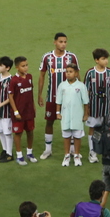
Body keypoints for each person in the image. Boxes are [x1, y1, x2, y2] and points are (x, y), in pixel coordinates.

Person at [37, 32, 79, 160]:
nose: (63, 44)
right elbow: (42, 76)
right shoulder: (47, 57)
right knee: (49, 121)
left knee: (71, 122)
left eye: (65, 42)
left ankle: (72, 150)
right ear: (54, 42)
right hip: (52, 97)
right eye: (61, 42)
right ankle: (48, 149)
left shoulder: (71, 57)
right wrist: (39, 95)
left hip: (70, 97)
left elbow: (78, 75)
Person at [84, 49, 110, 164]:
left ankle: (107, 150)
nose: (106, 61)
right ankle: (92, 152)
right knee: (92, 128)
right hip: (94, 107)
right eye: (103, 59)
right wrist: (86, 108)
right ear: (96, 60)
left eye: (106, 58)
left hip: (108, 107)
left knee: (108, 129)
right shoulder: (90, 73)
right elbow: (87, 92)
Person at [56, 63, 89, 167]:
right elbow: (58, 101)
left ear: (76, 73)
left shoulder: (81, 86)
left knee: (77, 136)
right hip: (65, 115)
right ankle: (66, 156)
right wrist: (58, 113)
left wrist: (86, 114)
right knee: (66, 136)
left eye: (71, 72)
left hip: (77, 116)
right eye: (67, 72)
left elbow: (86, 102)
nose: (68, 74)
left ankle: (77, 156)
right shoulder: (62, 85)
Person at [8, 56, 38, 164]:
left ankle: (29, 153)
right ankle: (19, 155)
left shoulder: (29, 77)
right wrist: (16, 111)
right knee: (18, 133)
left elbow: (30, 93)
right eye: (23, 66)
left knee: (30, 131)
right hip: (18, 113)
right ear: (17, 67)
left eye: (26, 65)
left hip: (29, 111)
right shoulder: (14, 80)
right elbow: (10, 97)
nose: (26, 68)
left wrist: (33, 106)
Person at [0, 57, 15, 162]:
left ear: (7, 68)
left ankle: (10, 154)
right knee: (0, 131)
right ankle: (4, 151)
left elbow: (11, 98)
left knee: (7, 133)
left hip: (6, 112)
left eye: (1, 65)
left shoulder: (11, 80)